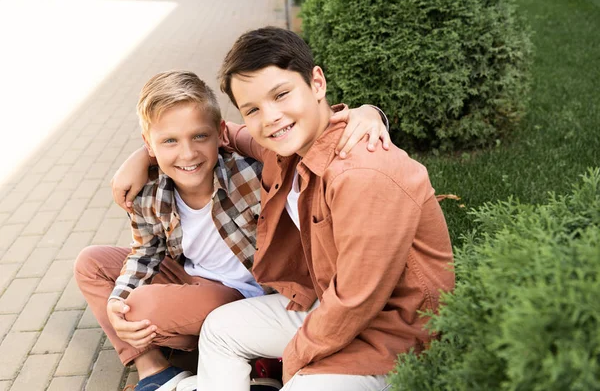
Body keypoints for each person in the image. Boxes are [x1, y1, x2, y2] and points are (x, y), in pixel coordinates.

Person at [174, 26, 456, 391]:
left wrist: (296, 359)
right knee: (220, 329)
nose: (270, 117)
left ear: (317, 83)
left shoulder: (361, 174)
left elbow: (356, 301)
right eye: (253, 109)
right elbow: (222, 131)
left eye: (281, 94)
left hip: (397, 338)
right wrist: (145, 153)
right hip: (331, 307)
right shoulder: (285, 147)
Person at [76, 70, 389, 391]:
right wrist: (118, 299)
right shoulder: (150, 190)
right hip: (191, 279)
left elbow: (307, 145)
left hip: (241, 296)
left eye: (200, 136)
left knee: (140, 307)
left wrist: (366, 113)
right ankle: (154, 370)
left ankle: (245, 358)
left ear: (220, 134)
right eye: (169, 141)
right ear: (149, 145)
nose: (187, 154)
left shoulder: (249, 175)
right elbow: (144, 252)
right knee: (93, 264)